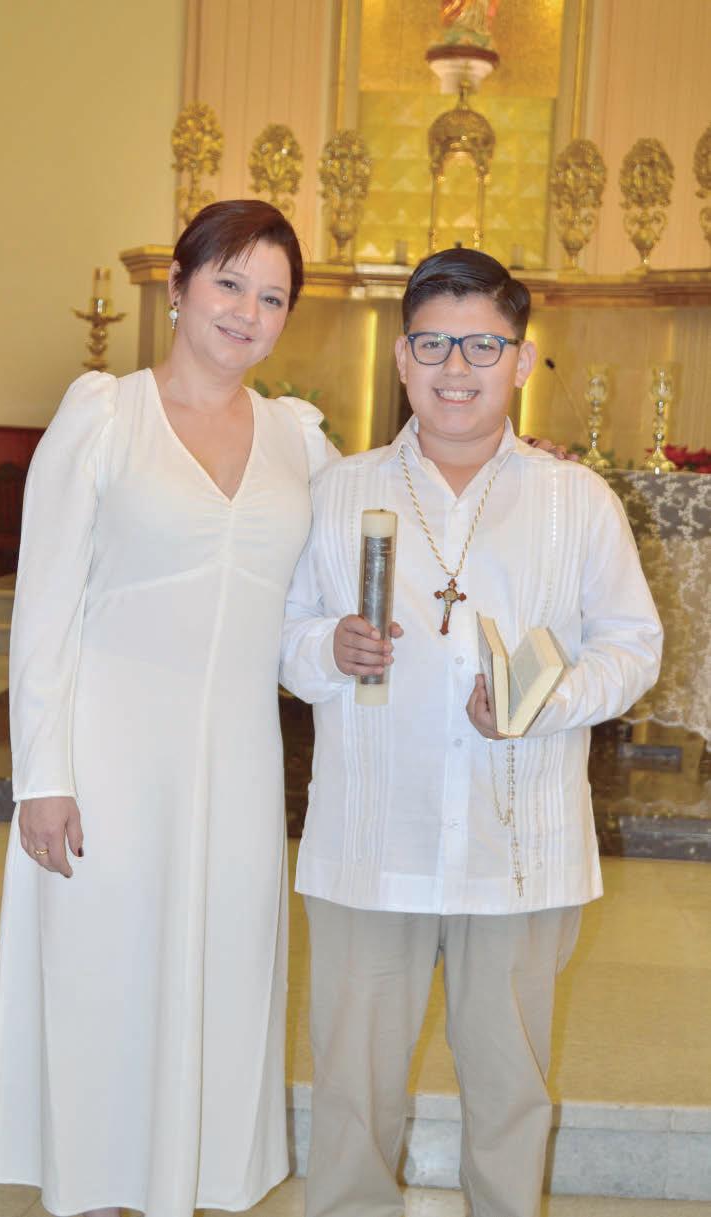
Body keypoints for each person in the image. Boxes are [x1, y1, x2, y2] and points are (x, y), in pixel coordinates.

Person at [280, 248, 663, 1217]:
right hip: (372, 839)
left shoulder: (575, 500)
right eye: (433, 343)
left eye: (482, 345)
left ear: (521, 360)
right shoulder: (336, 491)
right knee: (352, 1089)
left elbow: (632, 644)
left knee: (510, 1086)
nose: (456, 367)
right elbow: (282, 637)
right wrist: (329, 646)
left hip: (518, 845)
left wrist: (546, 699)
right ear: (400, 359)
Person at [0, 200, 338, 1217]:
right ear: (176, 288)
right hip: (108, 755)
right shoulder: (104, 416)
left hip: (236, 761)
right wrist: (43, 776)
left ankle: (191, 1184)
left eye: (272, 297)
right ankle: (95, 1192)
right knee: (105, 975)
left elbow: (314, 613)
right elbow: (44, 608)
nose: (247, 311)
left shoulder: (298, 440)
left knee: (220, 971)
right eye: (228, 282)